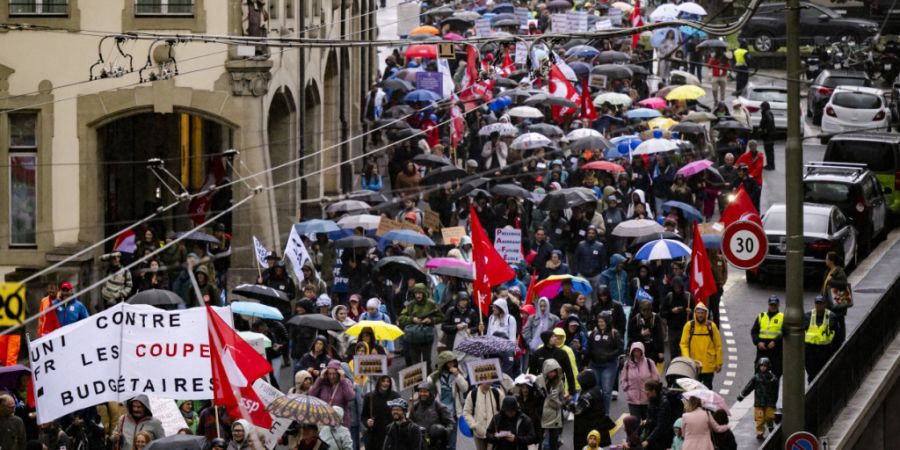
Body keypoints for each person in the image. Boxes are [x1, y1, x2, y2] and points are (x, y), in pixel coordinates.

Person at [428, 351, 469, 450]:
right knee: (440, 442)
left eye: (453, 362)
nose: (452, 365)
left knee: (452, 445)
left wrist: (457, 376)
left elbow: (465, 388)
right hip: (440, 414)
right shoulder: (434, 377)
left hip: (453, 414)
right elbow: (426, 390)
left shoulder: (458, 373)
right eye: (449, 362)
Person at [398, 283, 444, 369]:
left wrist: (430, 320)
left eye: (420, 293)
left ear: (424, 293)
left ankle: (428, 379)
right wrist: (412, 319)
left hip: (426, 337)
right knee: (416, 362)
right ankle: (418, 381)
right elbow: (401, 318)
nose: (418, 295)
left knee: (427, 361)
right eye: (416, 293)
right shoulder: (410, 305)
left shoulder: (431, 304)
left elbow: (441, 317)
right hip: (413, 337)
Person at [586, 312, 623, 414]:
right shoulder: (594, 333)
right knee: (595, 391)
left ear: (608, 321)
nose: (600, 323)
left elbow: (620, 349)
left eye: (602, 321)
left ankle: (605, 413)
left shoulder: (614, 333)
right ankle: (597, 412)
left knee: (606, 391)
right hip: (594, 365)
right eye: (599, 321)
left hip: (609, 366)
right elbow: (589, 347)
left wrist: (609, 355)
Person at [679, 303, 723, 389]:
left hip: (708, 365)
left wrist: (719, 363)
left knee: (707, 388)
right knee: (693, 389)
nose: (700, 315)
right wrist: (687, 359)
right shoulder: (689, 326)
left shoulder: (712, 326)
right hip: (694, 364)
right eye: (698, 312)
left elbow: (718, 345)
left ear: (706, 314)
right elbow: (683, 344)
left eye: (702, 313)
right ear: (695, 313)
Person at [737, 357, 779, 440]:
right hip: (759, 402)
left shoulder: (773, 378)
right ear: (758, 366)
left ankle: (770, 425)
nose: (763, 367)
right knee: (759, 418)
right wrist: (742, 395)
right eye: (761, 365)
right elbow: (748, 387)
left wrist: (774, 401)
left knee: (769, 416)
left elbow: (775, 391)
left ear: (768, 367)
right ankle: (760, 432)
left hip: (769, 402)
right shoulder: (756, 378)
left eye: (765, 366)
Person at [573, 369, 613, 450]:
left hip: (586, 428)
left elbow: (577, 410)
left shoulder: (587, 395)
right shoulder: (596, 390)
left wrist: (566, 402)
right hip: (597, 425)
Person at [620, 342, 661, 420]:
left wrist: (651, 390)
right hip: (633, 400)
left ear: (642, 351)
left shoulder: (649, 363)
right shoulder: (627, 364)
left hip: (647, 399)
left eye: (638, 351)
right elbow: (623, 378)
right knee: (635, 425)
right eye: (634, 351)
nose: (636, 353)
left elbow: (656, 377)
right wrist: (627, 388)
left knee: (648, 422)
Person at [310, 361, 356, 428]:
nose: (332, 377)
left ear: (339, 373)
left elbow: (350, 397)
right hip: (325, 422)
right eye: (330, 374)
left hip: (341, 423)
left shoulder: (345, 382)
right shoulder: (322, 383)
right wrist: (320, 378)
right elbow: (311, 395)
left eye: (334, 374)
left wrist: (343, 380)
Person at [409, 381, 454, 450]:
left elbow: (451, 423)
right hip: (419, 443)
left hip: (436, 445)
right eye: (420, 391)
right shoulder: (415, 407)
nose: (422, 394)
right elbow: (409, 423)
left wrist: (443, 432)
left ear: (431, 392)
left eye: (425, 392)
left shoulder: (439, 406)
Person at [463, 382, 505, 450]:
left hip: (494, 434)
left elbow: (504, 412)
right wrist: (474, 425)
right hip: (478, 434)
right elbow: (466, 412)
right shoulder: (473, 394)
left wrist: (500, 427)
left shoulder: (497, 393)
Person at [361, 375, 400, 450]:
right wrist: (367, 422)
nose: (385, 383)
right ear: (378, 382)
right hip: (375, 437)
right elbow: (363, 416)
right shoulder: (369, 397)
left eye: (388, 381)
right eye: (383, 381)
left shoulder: (395, 396)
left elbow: (402, 414)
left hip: (392, 436)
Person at [536, 358, 567, 450]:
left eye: (555, 371)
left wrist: (558, 401)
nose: (553, 373)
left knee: (554, 440)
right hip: (541, 412)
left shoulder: (559, 382)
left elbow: (562, 397)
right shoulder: (538, 379)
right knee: (539, 439)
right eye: (550, 371)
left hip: (554, 413)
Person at [804, 295, 837, 382]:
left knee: (824, 375)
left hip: (825, 350)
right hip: (810, 350)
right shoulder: (808, 316)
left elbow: (837, 335)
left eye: (821, 303)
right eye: (817, 303)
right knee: (811, 375)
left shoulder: (831, 316)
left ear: (824, 304)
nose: (819, 305)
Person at [750, 295, 784, 378]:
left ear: (778, 305)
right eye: (771, 305)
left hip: (775, 351)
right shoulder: (761, 316)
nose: (773, 307)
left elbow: (785, 332)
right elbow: (754, 331)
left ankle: (773, 391)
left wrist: (775, 342)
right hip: (762, 350)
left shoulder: (782, 317)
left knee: (775, 376)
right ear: (768, 305)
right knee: (758, 375)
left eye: (775, 305)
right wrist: (758, 342)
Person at [627, 299, 665, 370]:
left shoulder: (656, 318)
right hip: (639, 349)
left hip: (652, 349)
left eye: (648, 311)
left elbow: (659, 335)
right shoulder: (635, 319)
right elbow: (631, 335)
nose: (646, 313)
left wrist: (661, 351)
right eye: (644, 311)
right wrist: (641, 334)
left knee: (651, 369)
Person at [823, 251, 851, 346]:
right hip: (830, 302)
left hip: (838, 302)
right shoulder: (828, 271)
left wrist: (832, 281)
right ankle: (833, 338)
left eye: (827, 259)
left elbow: (843, 284)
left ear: (832, 261)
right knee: (831, 320)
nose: (825, 261)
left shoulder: (839, 271)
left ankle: (841, 339)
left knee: (839, 320)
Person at [660, 277, 692, 358]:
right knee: (673, 353)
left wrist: (690, 312)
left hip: (685, 329)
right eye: (675, 287)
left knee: (684, 353)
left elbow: (696, 314)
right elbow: (662, 313)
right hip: (672, 330)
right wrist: (671, 311)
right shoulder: (669, 297)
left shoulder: (688, 297)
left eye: (678, 287)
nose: (677, 289)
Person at [758, 101, 776, 170]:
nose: (761, 109)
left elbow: (769, 123)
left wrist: (765, 130)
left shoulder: (767, 113)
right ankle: (769, 164)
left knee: (769, 150)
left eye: (762, 107)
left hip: (769, 136)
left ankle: (771, 165)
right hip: (768, 135)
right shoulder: (766, 113)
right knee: (768, 150)